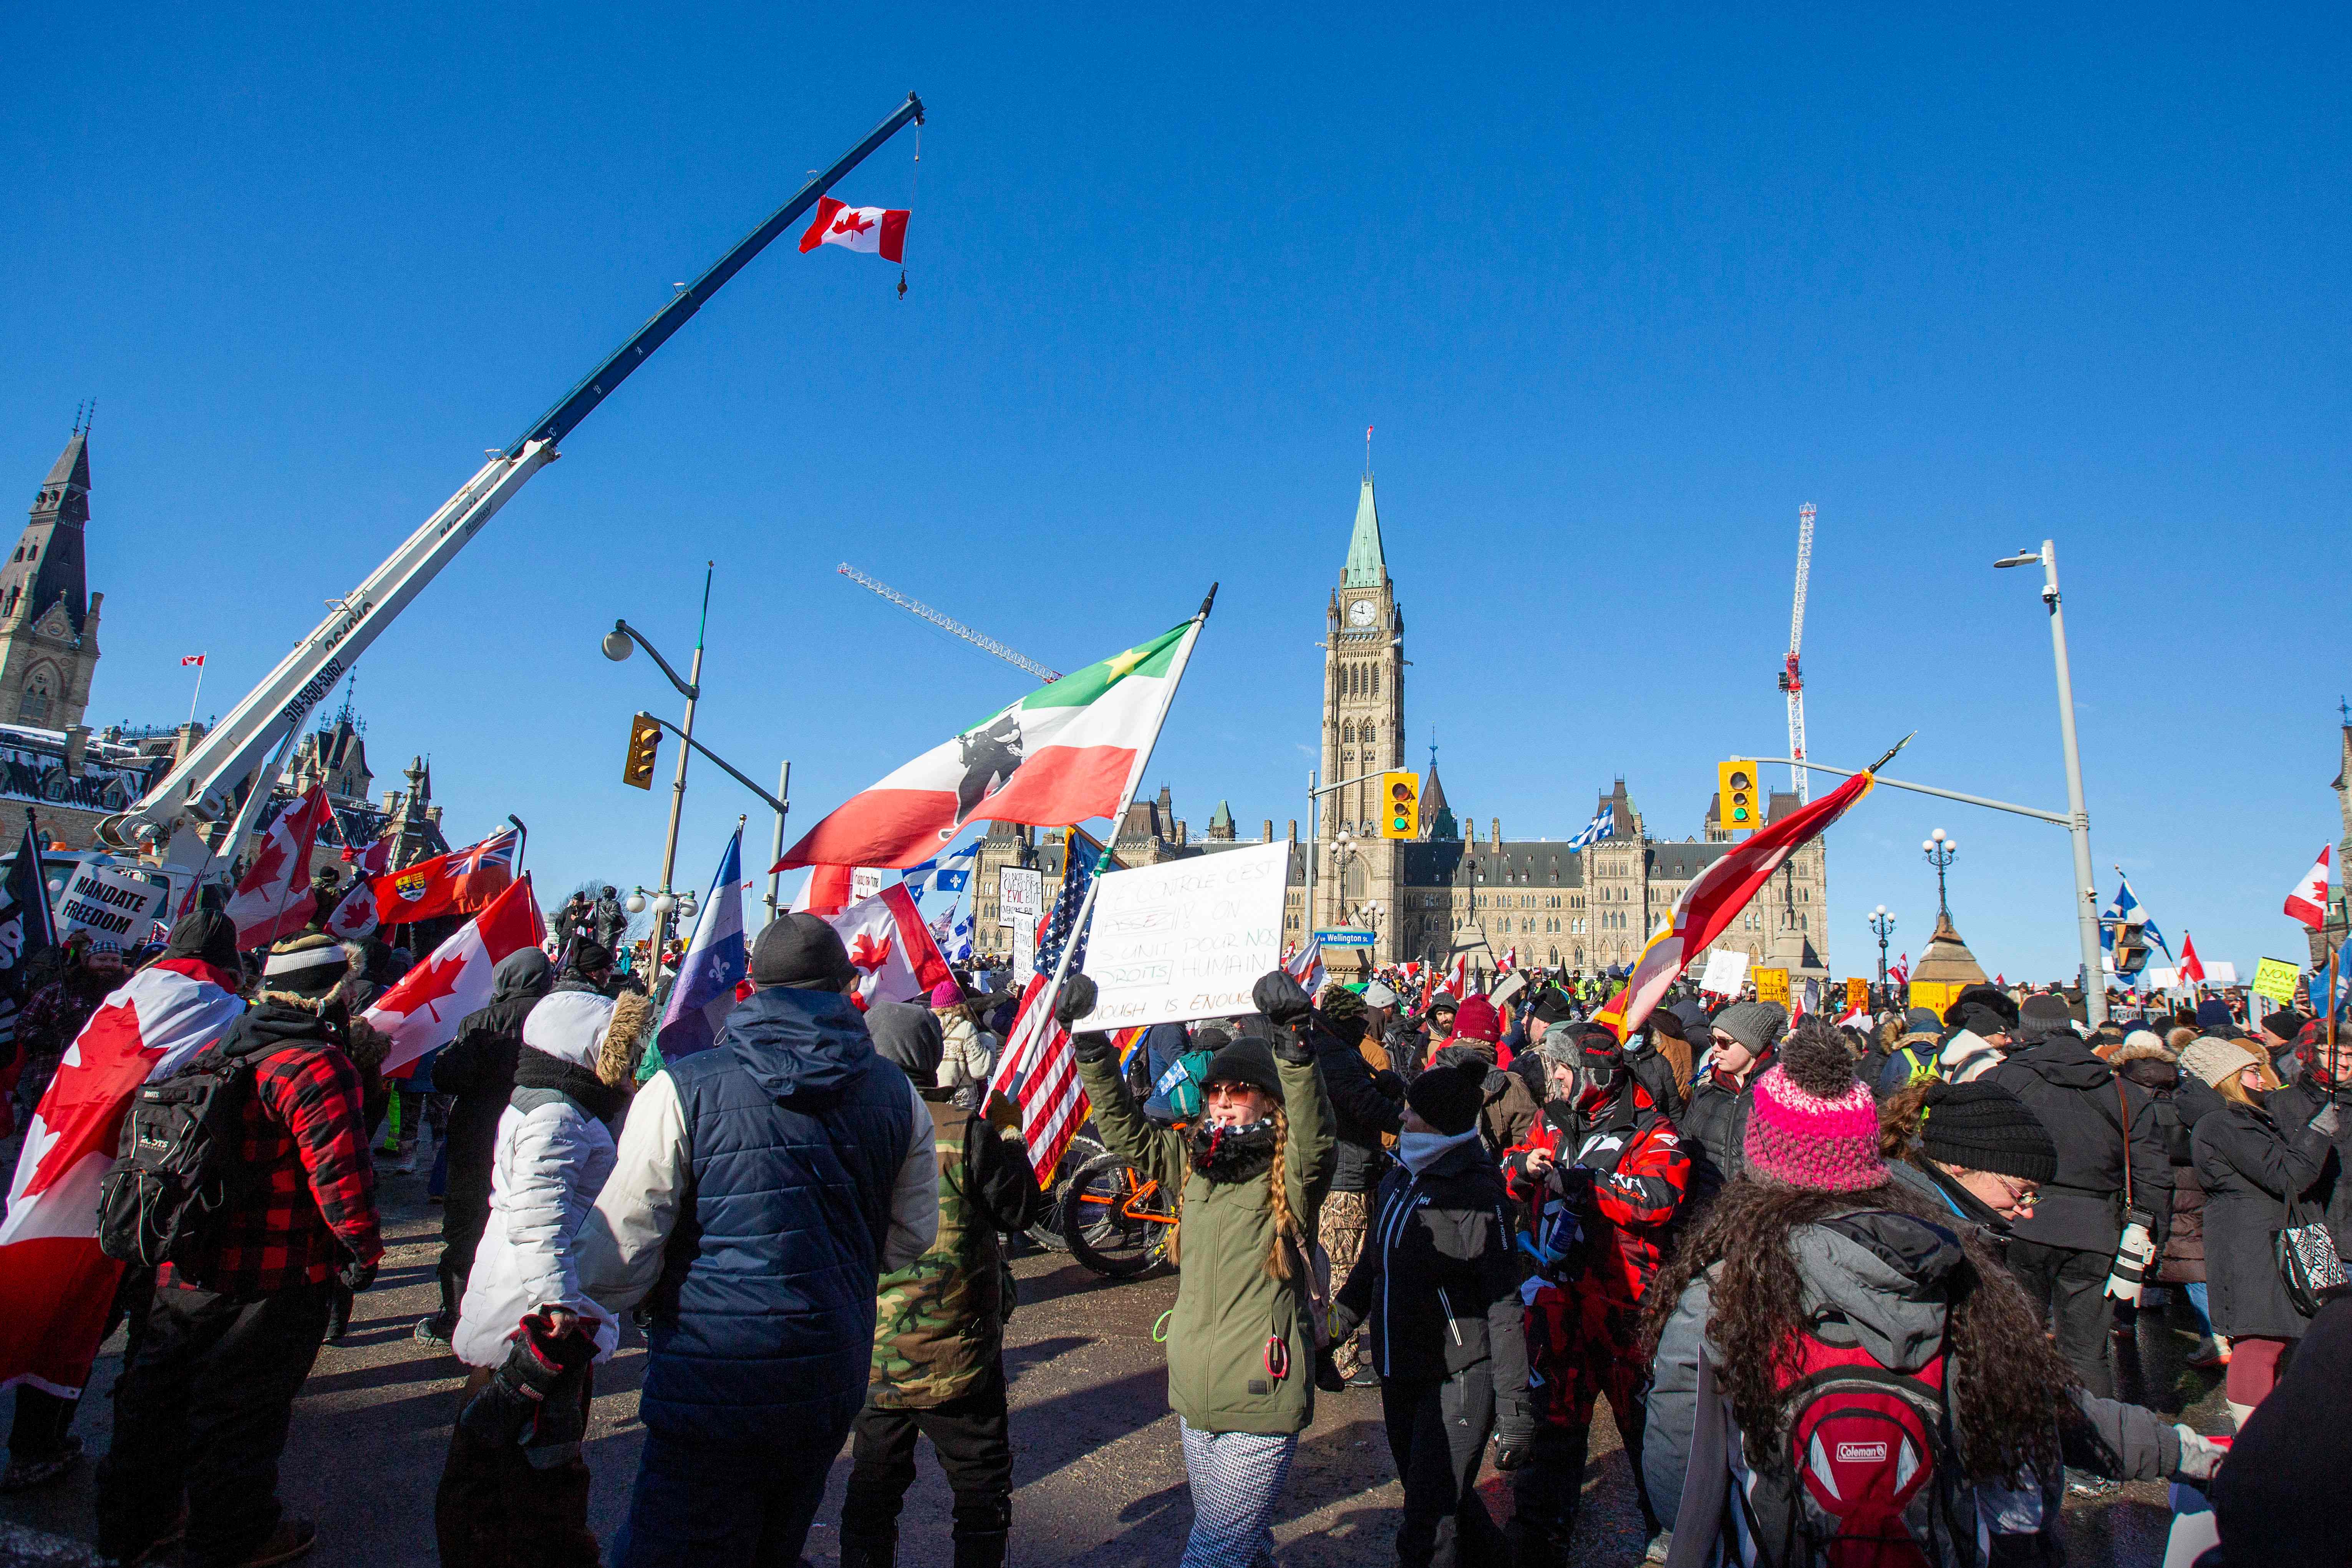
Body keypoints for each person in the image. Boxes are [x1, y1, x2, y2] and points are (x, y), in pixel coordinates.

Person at [1644, 1024, 2220, 1568]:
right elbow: (2049, 1407)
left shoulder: (1724, 1283)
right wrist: (2183, 1450)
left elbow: (1678, 1456)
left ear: (1759, 1158)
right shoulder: (1946, 1264)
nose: (2025, 1212)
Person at [573, 913, 940, 1568]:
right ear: (845, 986)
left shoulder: (682, 1087)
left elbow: (613, 1259)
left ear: (752, 987)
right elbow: (911, 1239)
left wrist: (657, 1291)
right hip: (827, 1371)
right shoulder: (898, 1095)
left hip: (711, 1376)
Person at [95, 931, 384, 1568]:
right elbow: (340, 1177)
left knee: (159, 1397)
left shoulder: (223, 1038)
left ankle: (136, 1522)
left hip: (186, 1258)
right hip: (273, 1272)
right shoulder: (313, 1064)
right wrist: (363, 1251)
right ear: (332, 991)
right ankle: (235, 1536)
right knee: (242, 1415)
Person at [1065, 968, 1335, 1568]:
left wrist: (1293, 1046)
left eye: (1238, 1091)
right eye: (1215, 1092)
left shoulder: (1286, 1176)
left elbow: (1315, 1143)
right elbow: (1126, 1131)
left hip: (1260, 1389)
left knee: (1213, 1553)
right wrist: (1091, 1046)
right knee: (1243, 1545)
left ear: (1267, 1099)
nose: (1222, 1101)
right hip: (1194, 1390)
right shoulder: (1192, 1162)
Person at [436, 986, 652, 1566]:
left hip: (529, 1298)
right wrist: (558, 1309)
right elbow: (539, 1218)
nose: (628, 1059)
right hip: (533, 1315)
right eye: (618, 1046)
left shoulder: (554, 1104)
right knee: (526, 1455)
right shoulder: (556, 1115)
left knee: (506, 1451)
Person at [841, 1003, 1046, 1568]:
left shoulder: (839, 1129)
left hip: (873, 1352)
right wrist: (1009, 1133)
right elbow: (1020, 1211)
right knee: (979, 1488)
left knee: (873, 1485)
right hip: (958, 1352)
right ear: (929, 1059)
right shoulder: (967, 1132)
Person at [1503, 1021, 1691, 1567]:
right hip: (1559, 1306)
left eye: (1561, 1068)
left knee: (1647, 1438)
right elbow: (1513, 1166)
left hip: (1624, 1309)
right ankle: (1539, 1538)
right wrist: (1521, 1167)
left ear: (1594, 1072)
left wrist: (1589, 1184)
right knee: (1554, 1432)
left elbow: (1659, 1196)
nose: (1552, 1078)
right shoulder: (1553, 1120)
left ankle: (1671, 1537)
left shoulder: (1648, 1127)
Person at [1328, 1065, 1525, 1568]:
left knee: (1426, 1527)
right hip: (1401, 1373)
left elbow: (1503, 1306)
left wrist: (1514, 1410)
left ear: (1436, 1123)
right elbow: (1370, 1269)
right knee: (1443, 1502)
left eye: (1412, 1109)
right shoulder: (1398, 1176)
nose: (1402, 1114)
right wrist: (1328, 1333)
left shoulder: (1478, 1192)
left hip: (1459, 1376)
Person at [1983, 992, 2170, 1401]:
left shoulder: (2003, 1079)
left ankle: (2025, 1441)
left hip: (2023, 1221)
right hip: (2097, 1230)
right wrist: (2148, 1230)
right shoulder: (2123, 1090)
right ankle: (2093, 1447)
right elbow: (2154, 1173)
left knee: (2017, 1342)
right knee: (2087, 1353)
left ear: (2025, 1031)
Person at [2181, 1034, 2344, 1427]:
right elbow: (2288, 1174)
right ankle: (2252, 1444)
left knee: (2279, 1340)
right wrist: (2319, 1131)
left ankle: (2271, 1439)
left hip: (2265, 1237)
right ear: (2228, 1078)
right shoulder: (2223, 1122)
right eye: (2252, 1071)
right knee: (2260, 1342)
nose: (2263, 1079)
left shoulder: (2242, 1118)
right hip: (2252, 1244)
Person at [416, 947, 555, 1346]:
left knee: (467, 1227)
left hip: (480, 1134)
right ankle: (525, 1318)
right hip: (538, 1132)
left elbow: (447, 1075)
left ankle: (457, 1316)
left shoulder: (483, 1021)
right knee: (535, 1224)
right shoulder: (556, 1018)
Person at [1311, 983, 1405, 1387]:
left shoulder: (1338, 1050)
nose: (1363, 1030)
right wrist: (1396, 1108)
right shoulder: (1335, 1056)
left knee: (1347, 1261)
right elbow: (1363, 1106)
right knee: (1342, 1266)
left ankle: (1337, 1350)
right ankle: (1341, 1357)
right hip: (1343, 1176)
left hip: (1352, 1169)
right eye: (1358, 1023)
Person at [1679, 999, 1785, 1212]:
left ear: (1751, 1044)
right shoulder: (1706, 1091)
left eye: (1724, 1042)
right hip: (1705, 1216)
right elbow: (1686, 1147)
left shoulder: (1782, 1095)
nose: (1715, 1049)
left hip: (1760, 1218)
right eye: (1712, 1040)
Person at [1429, 995, 1538, 1154]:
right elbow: (1527, 1151)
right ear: (1492, 1039)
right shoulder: (1512, 1086)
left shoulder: (1427, 1078)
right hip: (1490, 1175)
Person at [930, 978, 995, 1104]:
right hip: (959, 1102)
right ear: (960, 1004)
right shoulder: (965, 1028)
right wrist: (988, 1041)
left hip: (932, 1099)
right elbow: (979, 1071)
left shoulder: (927, 1026)